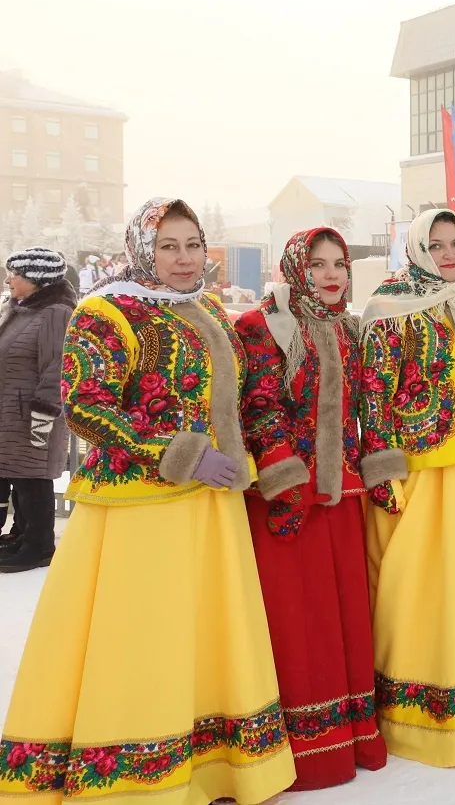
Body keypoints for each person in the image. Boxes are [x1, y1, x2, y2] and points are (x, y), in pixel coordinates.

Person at [0, 199, 295, 802]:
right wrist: (177, 452)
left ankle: (210, 763)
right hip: (138, 510)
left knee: (201, 635)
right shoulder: (107, 311)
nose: (184, 259)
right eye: (168, 246)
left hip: (210, 506)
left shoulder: (205, 309)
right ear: (142, 248)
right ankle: (134, 778)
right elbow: (85, 403)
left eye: (193, 245)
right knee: (143, 633)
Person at [358, 208, 455, 767]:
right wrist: (384, 471)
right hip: (418, 468)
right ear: (417, 248)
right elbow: (373, 392)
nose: (449, 254)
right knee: (413, 588)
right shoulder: (389, 304)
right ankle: (413, 718)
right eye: (438, 244)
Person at [235, 227, 387, 788]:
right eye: (318, 264)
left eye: (339, 265)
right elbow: (256, 405)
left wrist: (377, 473)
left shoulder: (347, 328)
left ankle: (347, 738)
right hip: (285, 501)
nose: (330, 275)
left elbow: (366, 407)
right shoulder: (261, 325)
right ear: (295, 267)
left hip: (342, 495)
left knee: (342, 617)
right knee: (295, 622)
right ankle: (297, 751)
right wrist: (282, 479)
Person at [0, 248, 76, 574]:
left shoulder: (56, 314)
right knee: (20, 476)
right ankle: (22, 535)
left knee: (34, 479)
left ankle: (40, 546)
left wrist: (44, 415)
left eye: (13, 273)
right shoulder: (19, 309)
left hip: (34, 413)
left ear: (36, 278)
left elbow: (56, 368)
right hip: (11, 413)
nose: (8, 279)